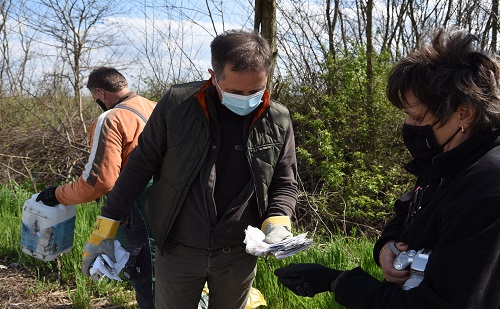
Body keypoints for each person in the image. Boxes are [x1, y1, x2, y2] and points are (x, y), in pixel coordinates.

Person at [274, 27, 500, 308]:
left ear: (464, 112)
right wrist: (388, 245)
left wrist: (339, 282)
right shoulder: (446, 160)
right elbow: (410, 208)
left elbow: (439, 303)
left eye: (417, 117)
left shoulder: (486, 187)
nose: (409, 127)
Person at [80, 29, 299, 309]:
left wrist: (278, 221)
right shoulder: (178, 104)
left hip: (238, 254)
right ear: (213, 75)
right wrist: (104, 228)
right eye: (235, 91)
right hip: (177, 249)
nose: (246, 99)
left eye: (255, 91)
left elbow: (284, 181)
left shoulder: (277, 119)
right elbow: (140, 165)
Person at [36, 67, 157, 309]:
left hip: (140, 210)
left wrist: (57, 194)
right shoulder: (155, 107)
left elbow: (100, 181)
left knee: (149, 281)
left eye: (95, 99)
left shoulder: (112, 118)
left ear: (100, 92)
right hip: (177, 205)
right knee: (176, 279)